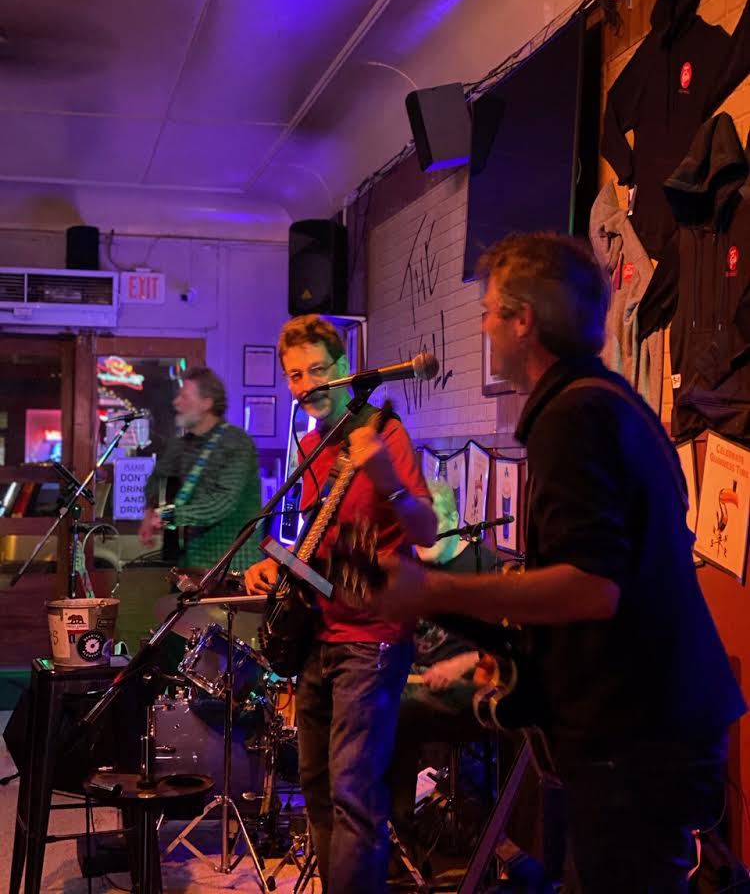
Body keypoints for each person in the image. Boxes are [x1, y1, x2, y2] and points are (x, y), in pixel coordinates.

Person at [371, 233, 747, 894]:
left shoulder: (572, 417)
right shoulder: (604, 401)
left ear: (523, 321)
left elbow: (592, 588)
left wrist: (433, 590)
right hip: (651, 725)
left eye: (490, 311)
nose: (483, 327)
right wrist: (515, 653)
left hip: (635, 737)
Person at [245, 314, 436, 894]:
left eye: (316, 371)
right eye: (294, 375)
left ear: (345, 366)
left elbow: (426, 529)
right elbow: (325, 545)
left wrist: (387, 477)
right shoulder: (311, 446)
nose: (306, 385)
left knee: (354, 794)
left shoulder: (385, 433)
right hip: (319, 633)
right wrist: (280, 563)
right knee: (317, 787)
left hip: (372, 637)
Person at [388, 478, 495, 854]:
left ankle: (401, 833)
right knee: (372, 703)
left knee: (397, 712)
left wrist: (461, 663)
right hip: (415, 682)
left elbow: (504, 646)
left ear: (452, 519)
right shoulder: (409, 563)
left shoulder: (482, 564)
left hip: (469, 690)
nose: (421, 543)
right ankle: (388, 833)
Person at [139, 366, 262, 570]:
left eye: (184, 397)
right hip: (193, 561)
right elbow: (157, 477)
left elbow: (221, 503)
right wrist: (148, 512)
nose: (176, 402)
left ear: (206, 403)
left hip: (232, 564)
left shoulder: (236, 442)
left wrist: (167, 515)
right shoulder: (182, 444)